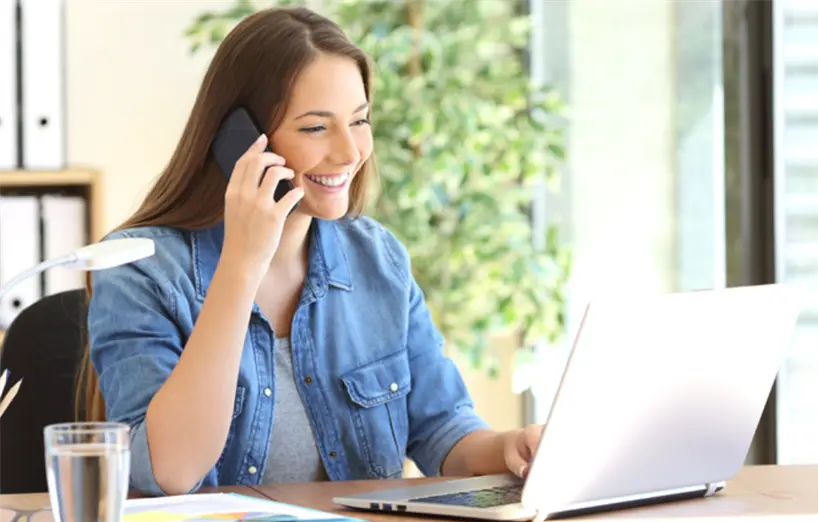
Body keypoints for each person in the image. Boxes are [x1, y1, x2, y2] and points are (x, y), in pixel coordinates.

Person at [79, 6, 544, 497]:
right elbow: (171, 470)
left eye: (359, 120)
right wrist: (242, 263)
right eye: (315, 128)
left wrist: (510, 447)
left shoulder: (378, 260)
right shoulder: (140, 271)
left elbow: (442, 428)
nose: (350, 152)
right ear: (238, 140)